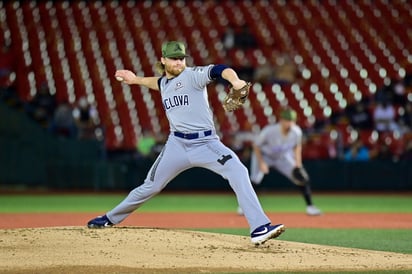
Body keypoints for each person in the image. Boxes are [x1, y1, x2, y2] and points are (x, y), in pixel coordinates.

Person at [87, 41, 285, 245]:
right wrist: (134, 79)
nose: (179, 62)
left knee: (238, 171)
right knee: (150, 186)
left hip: (207, 143)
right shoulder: (164, 83)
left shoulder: (192, 75)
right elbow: (155, 82)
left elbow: (219, 70)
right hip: (177, 145)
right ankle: (110, 218)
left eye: (181, 58)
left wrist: (235, 81)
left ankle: (259, 227)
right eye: (174, 58)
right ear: (163, 60)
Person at [237, 107, 322, 216]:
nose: (289, 123)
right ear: (281, 120)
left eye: (291, 121)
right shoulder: (270, 130)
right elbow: (256, 146)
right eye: (287, 120)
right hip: (264, 155)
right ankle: (243, 207)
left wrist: (298, 164)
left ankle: (310, 207)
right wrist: (262, 163)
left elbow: (297, 147)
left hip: (283, 157)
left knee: (301, 177)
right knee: (255, 179)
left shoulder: (296, 132)